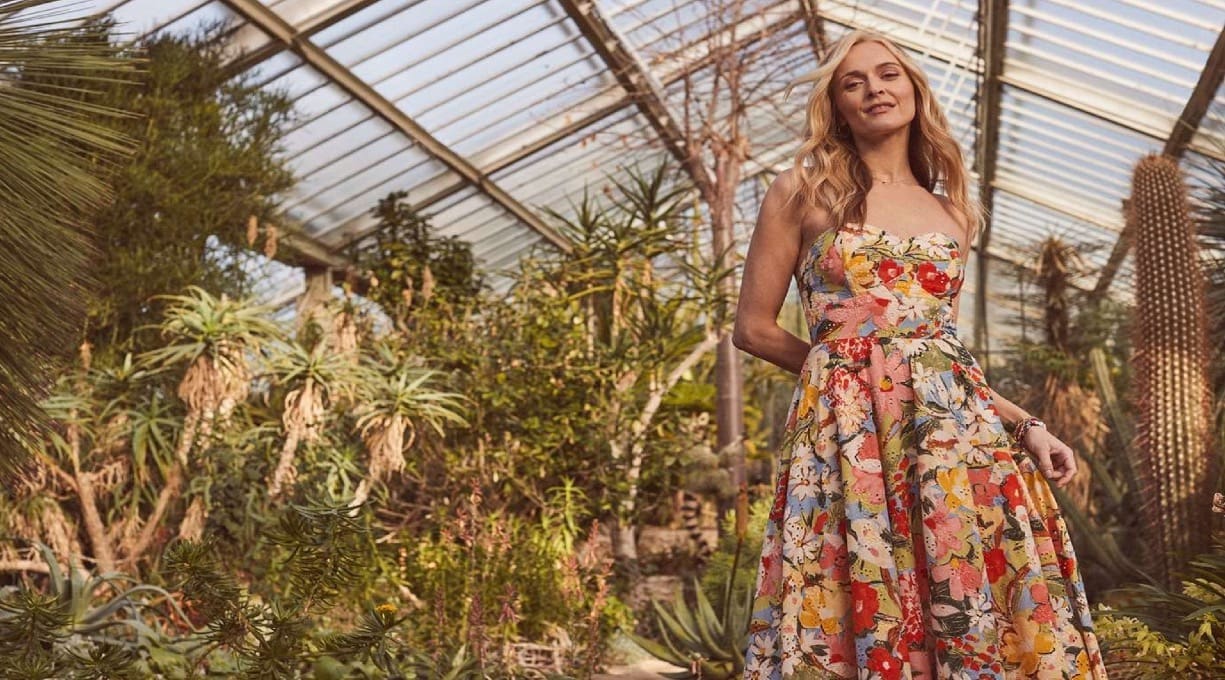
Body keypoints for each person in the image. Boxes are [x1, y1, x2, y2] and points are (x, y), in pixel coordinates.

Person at [732, 29, 1108, 679]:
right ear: (838, 106)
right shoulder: (802, 190)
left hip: (951, 442)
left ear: (912, 90)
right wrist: (849, 377)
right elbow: (753, 328)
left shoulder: (951, 212)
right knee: (852, 585)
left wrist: (1027, 425)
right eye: (854, 82)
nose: (873, 89)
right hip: (846, 436)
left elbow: (943, 362)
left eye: (887, 75)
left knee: (962, 590)